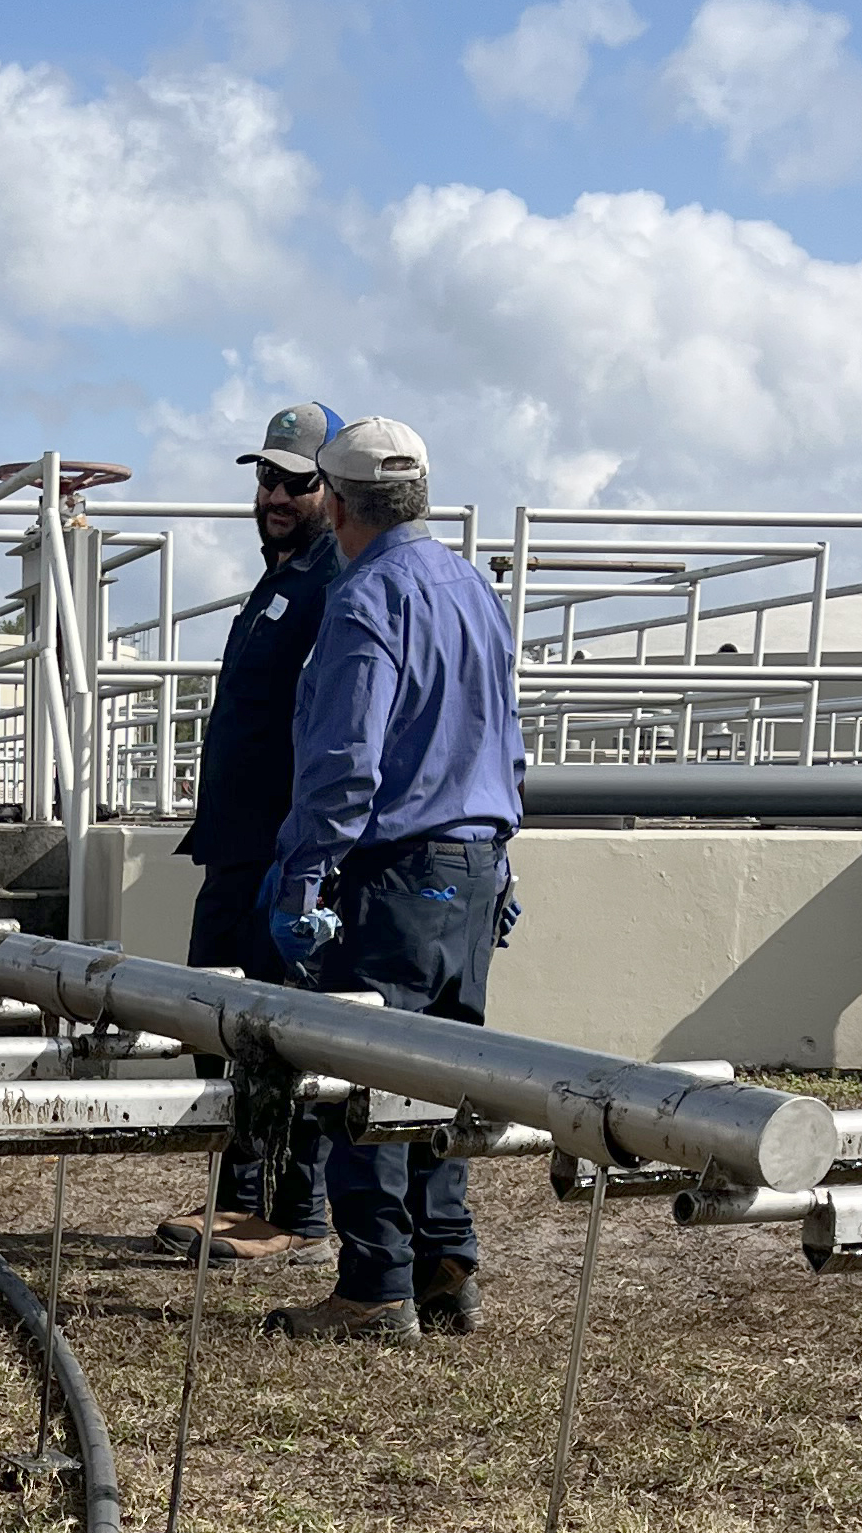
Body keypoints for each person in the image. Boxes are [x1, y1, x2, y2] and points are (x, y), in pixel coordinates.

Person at [261, 417, 523, 1344]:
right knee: (445, 1075)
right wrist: (501, 855)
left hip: (396, 869)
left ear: (335, 502)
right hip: (474, 861)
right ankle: (448, 1264)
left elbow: (345, 759)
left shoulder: (368, 595)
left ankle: (376, 1285)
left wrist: (305, 876)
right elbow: (505, 733)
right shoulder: (471, 588)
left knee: (366, 1079)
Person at [154, 401, 344, 1268]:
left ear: (329, 487)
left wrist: (308, 857)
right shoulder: (278, 579)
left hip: (281, 854)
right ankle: (235, 1199)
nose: (273, 494)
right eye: (264, 477)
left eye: (294, 480)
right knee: (215, 1024)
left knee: (285, 1034)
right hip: (234, 848)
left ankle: (296, 1212)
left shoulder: (332, 582)